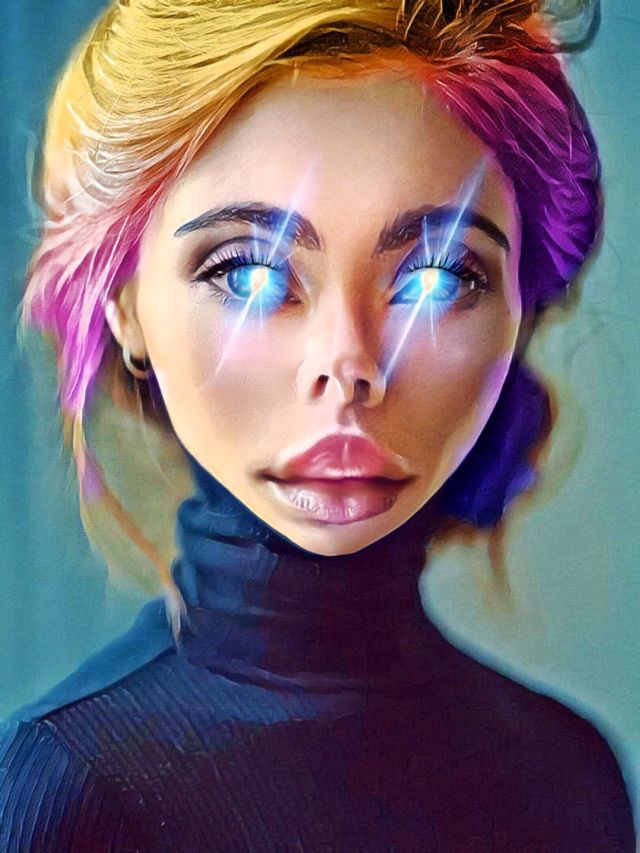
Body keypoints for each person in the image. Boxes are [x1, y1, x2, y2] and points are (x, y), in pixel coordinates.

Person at [0, 0, 635, 850]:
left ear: (520, 304)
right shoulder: (71, 788)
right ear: (125, 304)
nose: (350, 365)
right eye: (249, 274)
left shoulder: (572, 772)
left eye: (440, 278)